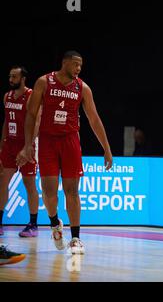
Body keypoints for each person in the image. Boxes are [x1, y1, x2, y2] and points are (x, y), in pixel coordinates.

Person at [16, 51, 113, 254]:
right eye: (76, 64)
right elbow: (31, 115)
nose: (78, 69)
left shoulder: (82, 88)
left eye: (81, 66)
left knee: (72, 191)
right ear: (64, 63)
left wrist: (107, 148)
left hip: (70, 141)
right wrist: (27, 145)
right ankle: (54, 224)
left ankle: (76, 238)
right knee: (49, 193)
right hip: (48, 141)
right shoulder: (44, 82)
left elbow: (94, 119)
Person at [0, 66, 40, 237]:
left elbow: (37, 122)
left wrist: (28, 147)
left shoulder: (31, 96)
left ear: (23, 78)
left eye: (14, 76)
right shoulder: (7, 96)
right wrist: (1, 145)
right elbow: (6, 121)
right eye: (10, 76)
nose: (10, 79)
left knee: (29, 184)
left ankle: (33, 224)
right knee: (2, 181)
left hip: (26, 145)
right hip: (9, 144)